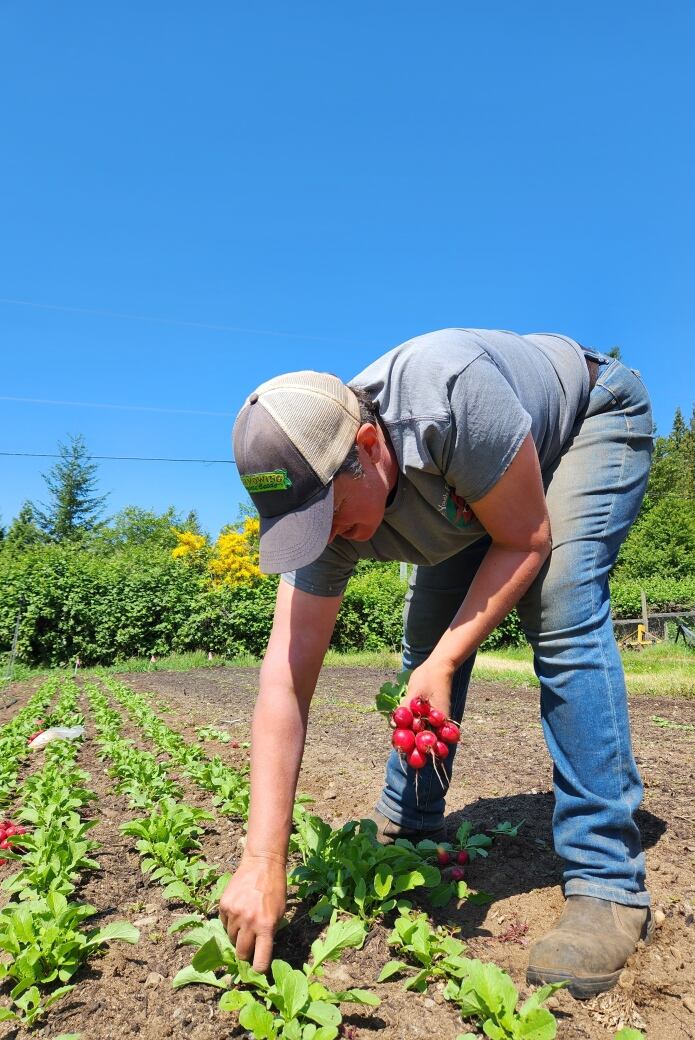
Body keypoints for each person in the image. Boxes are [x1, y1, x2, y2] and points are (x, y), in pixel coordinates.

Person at [220, 328, 655, 999]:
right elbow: (284, 679)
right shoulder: (323, 495)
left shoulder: (448, 400)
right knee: (424, 644)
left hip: (583, 420)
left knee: (560, 601)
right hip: (473, 482)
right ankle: (410, 824)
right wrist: (261, 857)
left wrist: (450, 658)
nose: (326, 539)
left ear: (368, 449)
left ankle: (607, 880)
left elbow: (527, 538)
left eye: (329, 517)